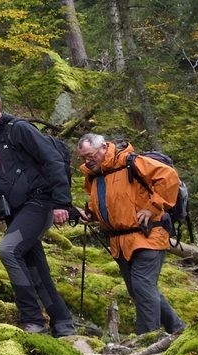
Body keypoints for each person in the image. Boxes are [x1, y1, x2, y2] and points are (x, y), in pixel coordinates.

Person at [0, 88, 77, 336]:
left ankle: (32, 320)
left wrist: (62, 203)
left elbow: (53, 161)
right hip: (15, 214)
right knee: (34, 267)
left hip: (39, 204)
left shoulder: (20, 129)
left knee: (8, 249)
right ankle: (63, 323)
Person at [76, 133, 186, 337]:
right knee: (140, 290)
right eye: (82, 157)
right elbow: (108, 200)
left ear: (102, 148)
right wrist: (92, 214)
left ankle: (147, 339)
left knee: (142, 286)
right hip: (119, 241)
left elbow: (168, 177)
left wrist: (153, 208)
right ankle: (178, 329)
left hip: (148, 234)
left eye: (90, 155)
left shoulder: (131, 162)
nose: (86, 160)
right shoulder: (94, 175)